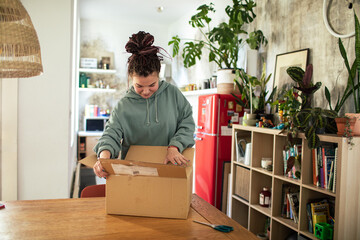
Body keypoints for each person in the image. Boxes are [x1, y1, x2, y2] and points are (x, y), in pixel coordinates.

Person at [93, 31, 195, 179]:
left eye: (152, 85)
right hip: (134, 175)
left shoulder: (173, 94)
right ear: (131, 79)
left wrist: (175, 146)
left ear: (159, 74)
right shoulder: (124, 105)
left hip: (170, 171)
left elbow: (187, 123)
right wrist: (103, 157)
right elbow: (111, 134)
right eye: (139, 86)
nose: (146, 91)